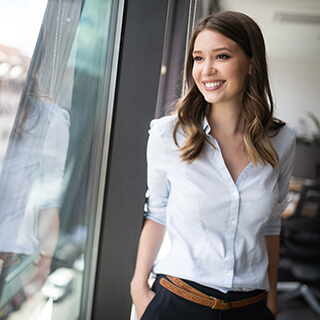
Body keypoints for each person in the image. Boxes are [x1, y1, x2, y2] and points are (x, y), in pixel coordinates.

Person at [130, 11, 296, 320]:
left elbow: (271, 225)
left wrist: (271, 302)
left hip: (250, 309)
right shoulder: (169, 135)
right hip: (176, 304)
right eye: (198, 58)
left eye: (221, 56)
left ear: (250, 63)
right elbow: (157, 213)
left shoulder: (282, 140)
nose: (207, 70)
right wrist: (139, 290)